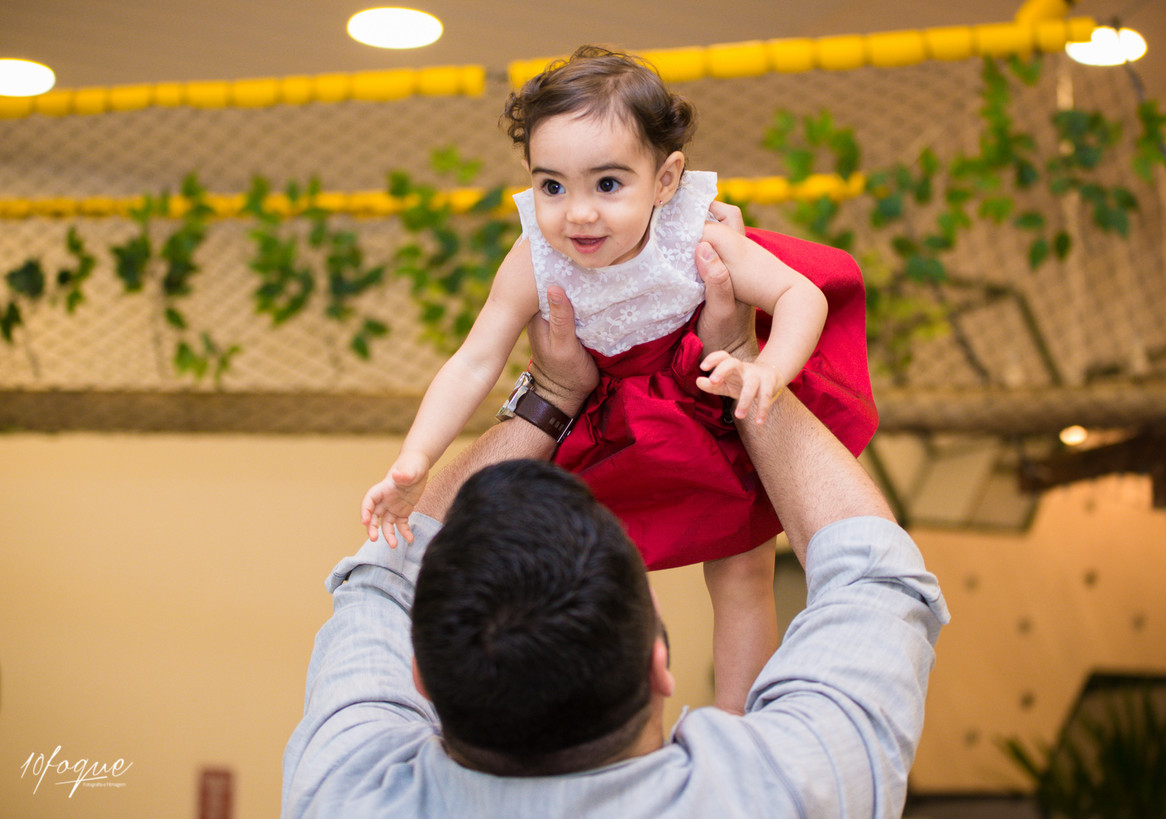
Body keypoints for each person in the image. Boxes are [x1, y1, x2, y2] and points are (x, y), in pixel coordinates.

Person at [282, 248, 949, 818]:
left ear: (418, 675)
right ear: (660, 665)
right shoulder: (777, 794)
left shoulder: (349, 792)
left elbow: (389, 570)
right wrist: (741, 356)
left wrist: (551, 391)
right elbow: (874, 579)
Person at [361, 45, 876, 712]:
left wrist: (767, 370)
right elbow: (474, 358)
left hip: (706, 395)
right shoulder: (534, 257)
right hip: (613, 424)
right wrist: (416, 456)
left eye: (607, 185)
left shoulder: (697, 235)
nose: (577, 213)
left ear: (665, 180)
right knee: (608, 576)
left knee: (744, 570)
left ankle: (738, 727)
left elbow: (800, 296)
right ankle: (625, 724)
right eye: (552, 186)